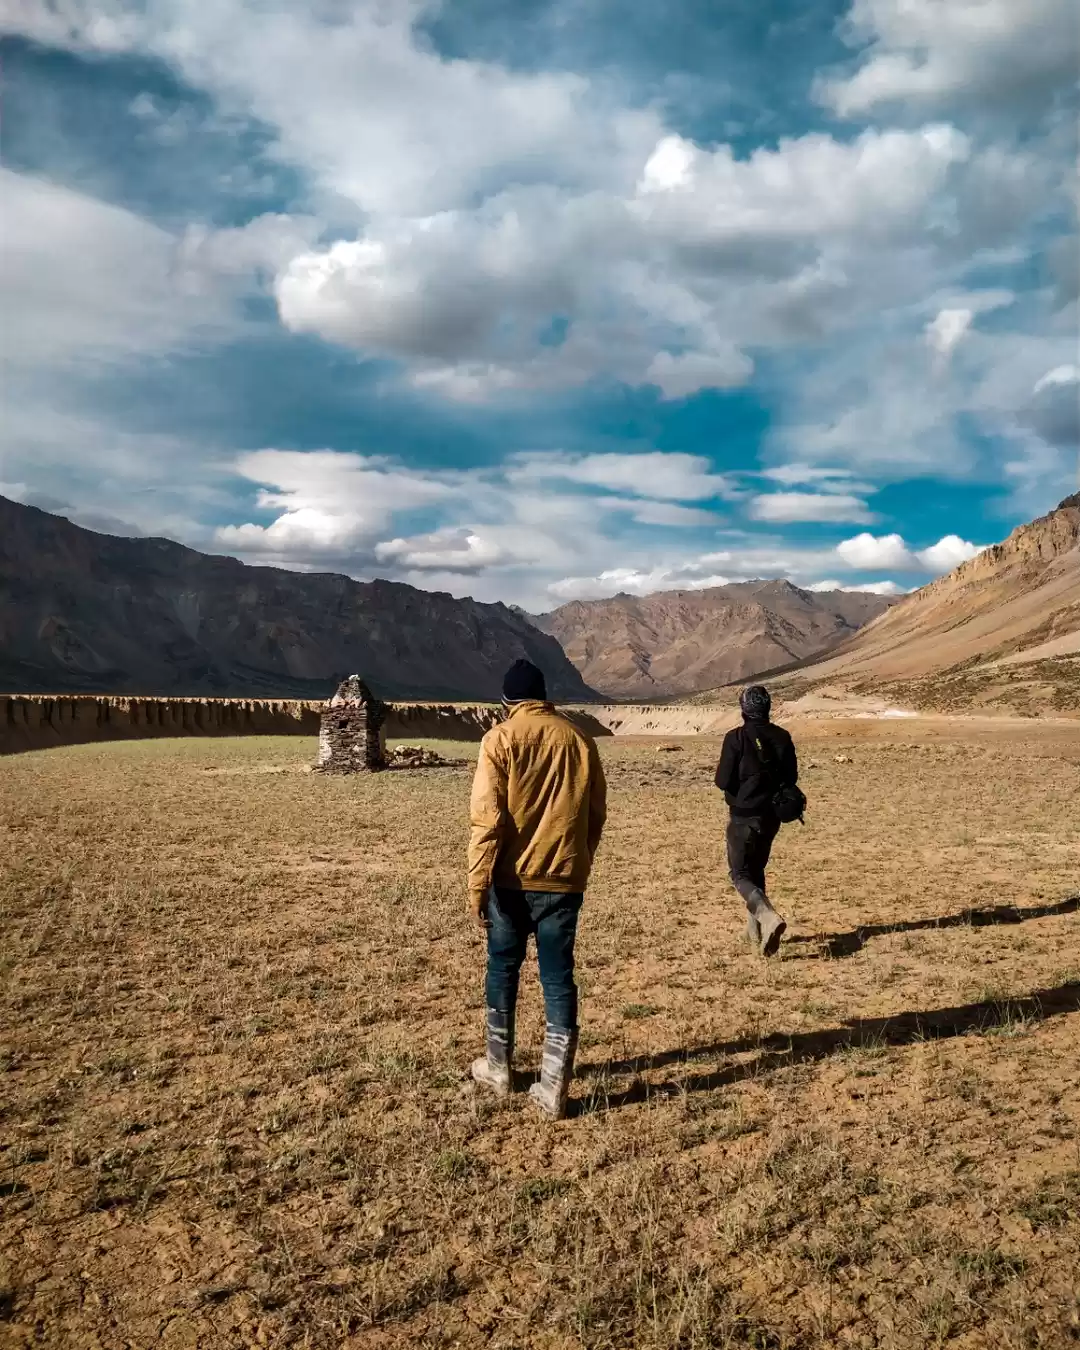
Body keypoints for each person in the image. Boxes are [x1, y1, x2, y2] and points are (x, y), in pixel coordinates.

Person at [467, 658, 607, 1120]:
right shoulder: (580, 740)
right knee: (557, 977)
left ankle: (498, 1067)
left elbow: (487, 819)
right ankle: (553, 1086)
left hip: (509, 882)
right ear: (544, 697)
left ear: (508, 701)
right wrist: (577, 862)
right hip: (564, 882)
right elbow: (595, 815)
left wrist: (477, 883)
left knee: (503, 968)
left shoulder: (500, 739)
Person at [714, 684, 798, 957]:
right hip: (771, 816)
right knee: (757, 869)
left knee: (739, 873)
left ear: (744, 710)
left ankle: (768, 917)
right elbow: (791, 778)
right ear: (768, 708)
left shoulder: (735, 738)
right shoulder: (783, 736)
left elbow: (722, 780)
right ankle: (755, 932)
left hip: (743, 816)